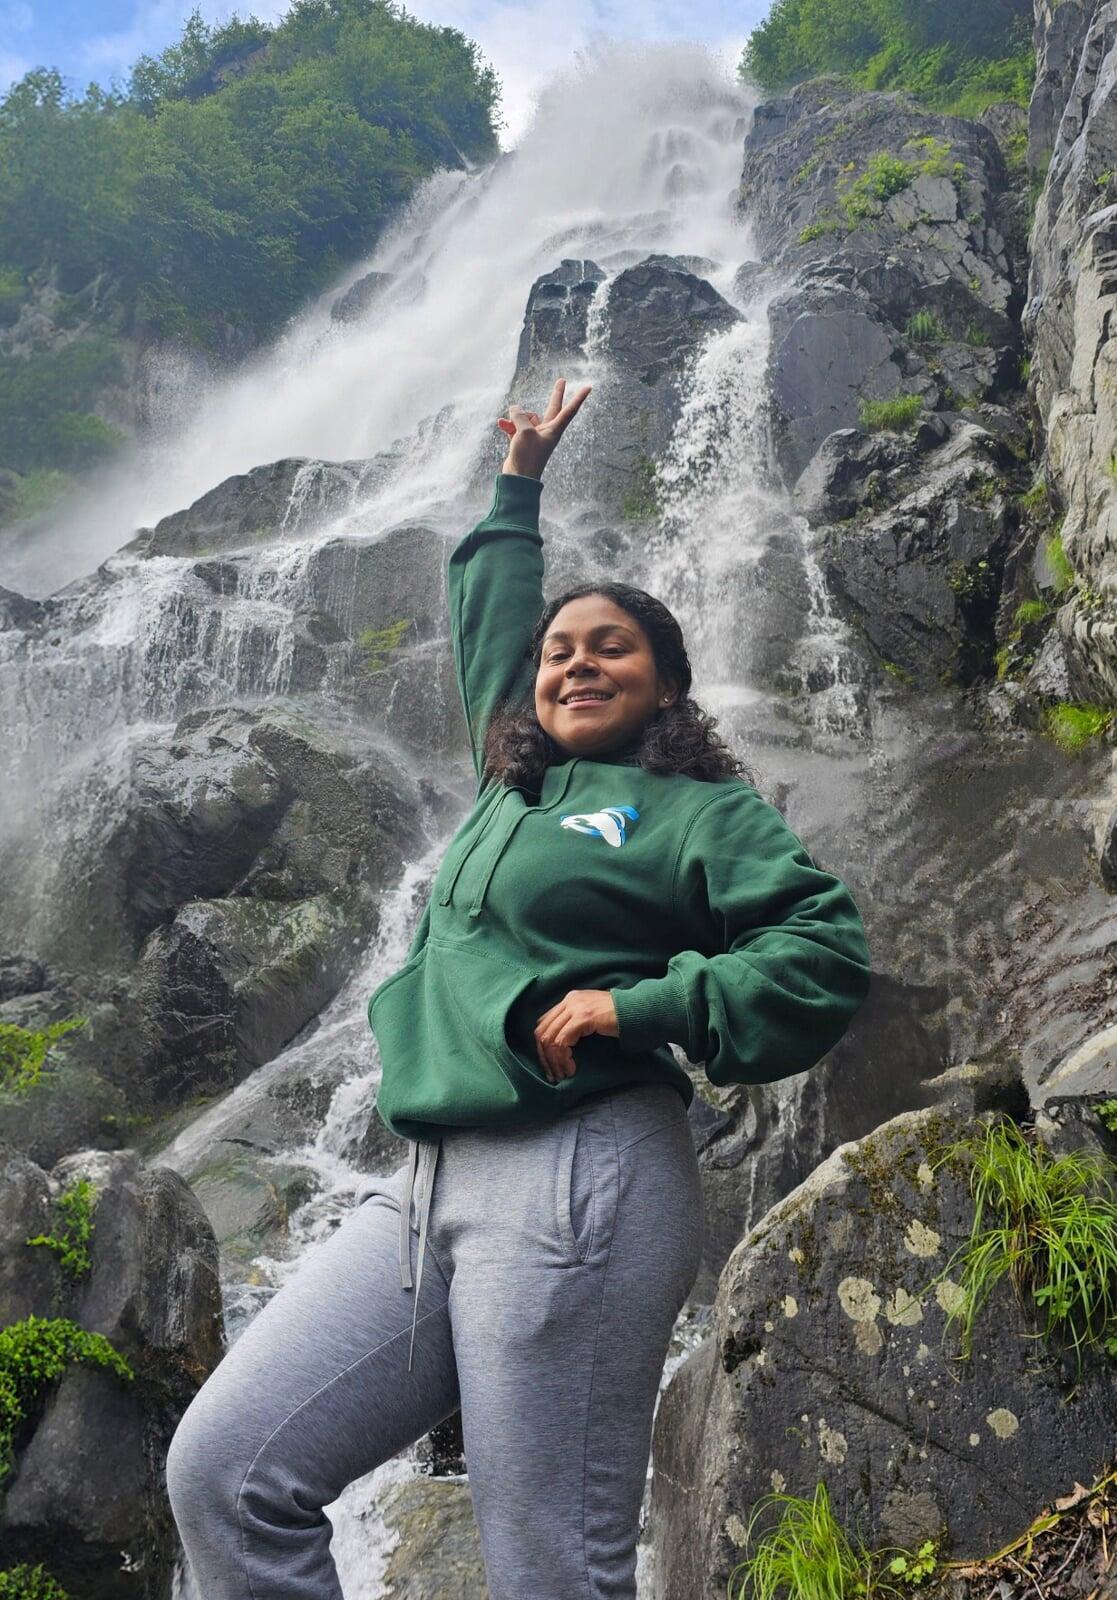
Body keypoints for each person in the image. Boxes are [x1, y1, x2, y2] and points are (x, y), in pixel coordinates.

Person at [165, 377, 872, 1600]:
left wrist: (641, 1006)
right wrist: (519, 485)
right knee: (227, 1471)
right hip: (423, 1184)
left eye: (611, 647)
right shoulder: (508, 787)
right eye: (559, 651)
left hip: (580, 1168)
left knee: (547, 1568)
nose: (573, 664)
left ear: (662, 684)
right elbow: (493, 622)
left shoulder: (694, 811)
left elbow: (822, 950)